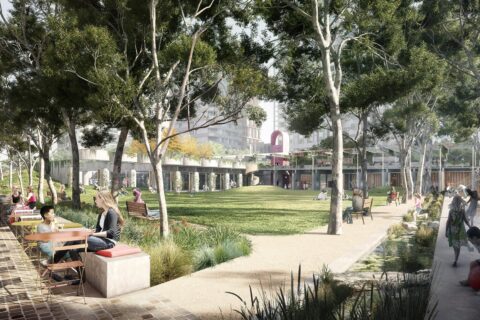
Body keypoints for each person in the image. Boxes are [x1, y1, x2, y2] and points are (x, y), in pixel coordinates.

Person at [54, 191, 124, 264]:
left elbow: (111, 233)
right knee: (73, 250)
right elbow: (98, 229)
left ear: (102, 199)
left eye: (96, 198)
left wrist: (92, 235)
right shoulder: (102, 213)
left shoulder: (111, 212)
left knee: (76, 238)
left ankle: (54, 260)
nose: (95, 201)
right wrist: (93, 231)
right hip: (100, 240)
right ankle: (81, 275)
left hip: (109, 242)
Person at [446, 195, 471, 267]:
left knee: (455, 245)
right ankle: (456, 259)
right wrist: (469, 226)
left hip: (453, 230)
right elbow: (465, 220)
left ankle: (455, 258)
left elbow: (448, 221)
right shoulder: (462, 210)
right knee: (458, 246)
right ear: (460, 201)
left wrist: (446, 230)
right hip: (460, 230)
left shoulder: (451, 211)